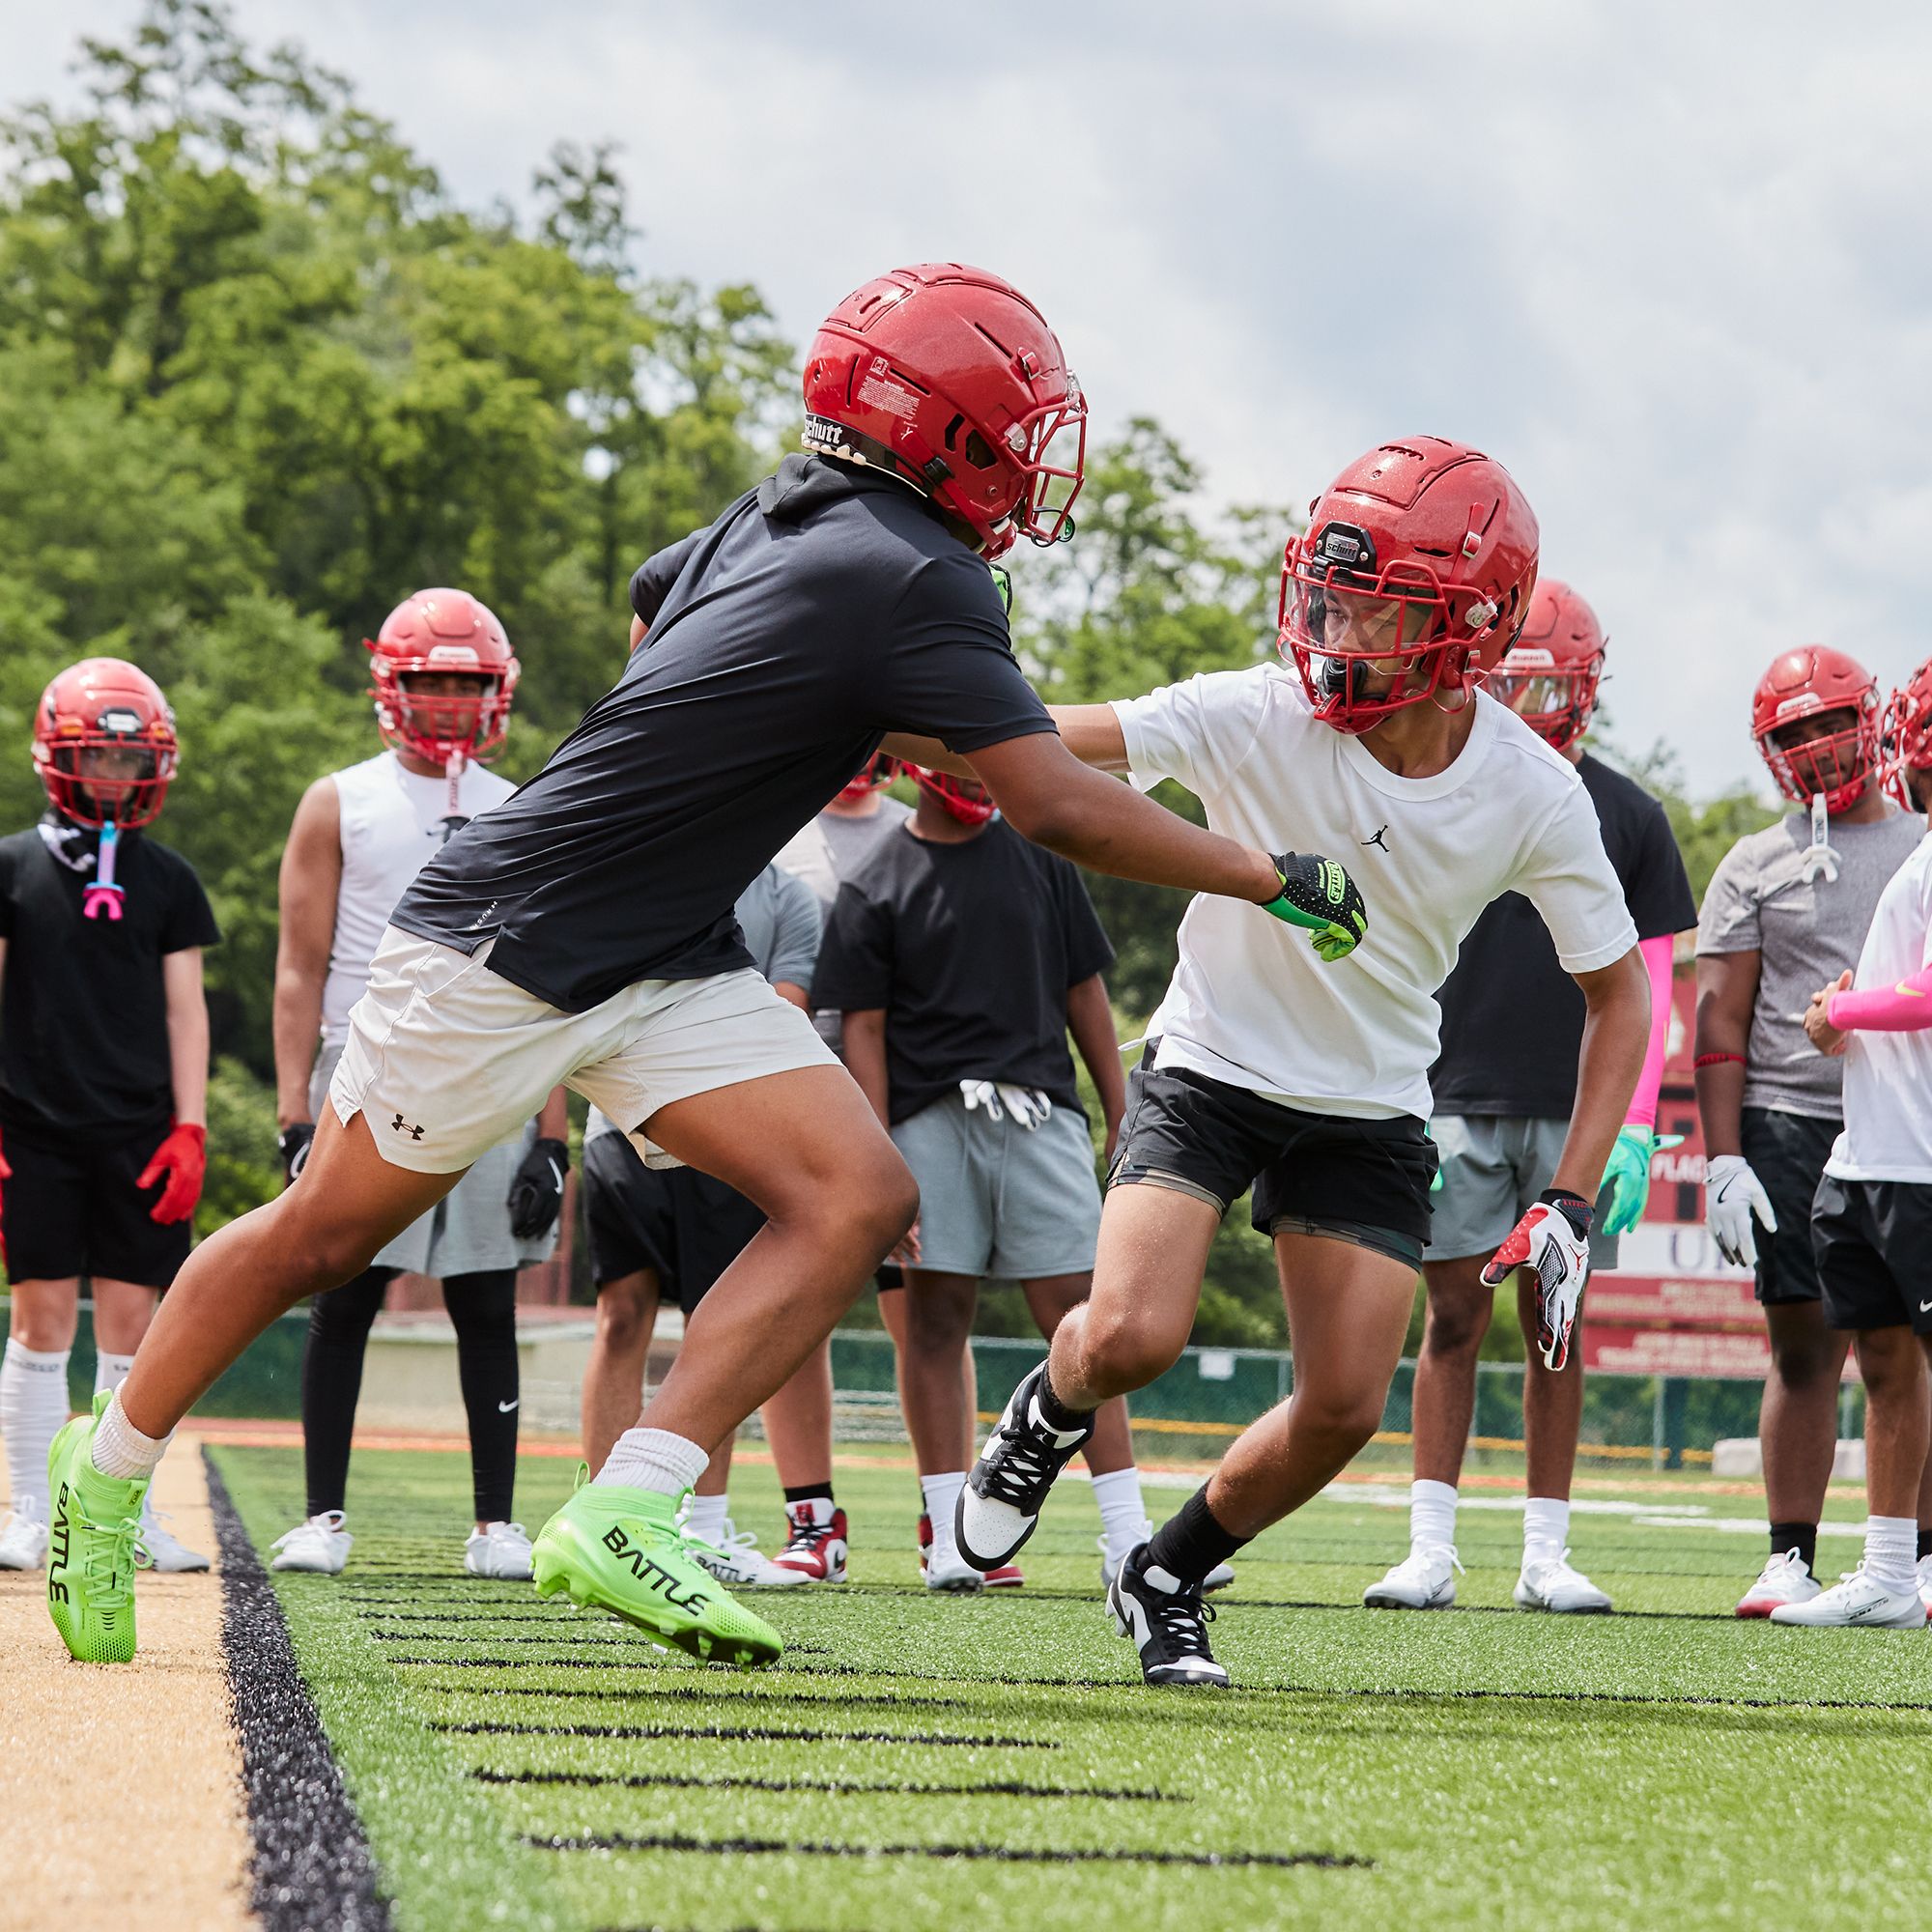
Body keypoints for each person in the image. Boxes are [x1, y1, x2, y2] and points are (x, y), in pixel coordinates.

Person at [48, 262, 1364, 1668]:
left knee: (856, 1195)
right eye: (1014, 425)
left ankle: (628, 1506)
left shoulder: (785, 503)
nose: (1032, 458)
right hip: (517, 935)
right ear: (944, 429)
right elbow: (1049, 805)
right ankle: (103, 1471)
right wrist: (1266, 871)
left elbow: (658, 599)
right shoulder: (923, 574)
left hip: (665, 951)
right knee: (322, 1235)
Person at [956, 436, 1651, 1690]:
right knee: (1130, 1336)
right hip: (1209, 1063)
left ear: (1470, 630)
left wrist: (1569, 1197)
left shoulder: (1533, 792)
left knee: (1341, 1409)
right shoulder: (1255, 711)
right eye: (1330, 595)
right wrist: (875, 690)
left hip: (1370, 1101)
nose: (1335, 629)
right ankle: (1045, 1410)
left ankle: (1164, 1575)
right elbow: (1038, 742)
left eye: (1378, 606)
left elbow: (1620, 994)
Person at [1365, 580, 1695, 1615]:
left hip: (1573, 1107)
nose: (1528, 701)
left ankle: (1544, 1553)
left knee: (1557, 1323)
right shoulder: (1432, 778)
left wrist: (1631, 1126)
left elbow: (1649, 986)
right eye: (1512, 680)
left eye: (1548, 683)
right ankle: (1429, 1546)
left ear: (1586, 686)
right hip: (1452, 1090)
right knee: (1449, 1319)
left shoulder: (1629, 814)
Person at [264, 589, 567, 1581]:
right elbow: (299, 967)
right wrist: (293, 1110)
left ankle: (494, 1523)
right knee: (344, 1293)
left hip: (488, 1066)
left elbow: (546, 974)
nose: (447, 700)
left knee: (486, 1298)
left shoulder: (523, 799)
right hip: (366, 1064)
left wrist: (553, 1133)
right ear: (392, 685)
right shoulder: (338, 799)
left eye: (465, 683)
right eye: (431, 680)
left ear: (496, 691)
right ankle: (322, 1515)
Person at [814, 759, 1165, 1594]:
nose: (975, 775)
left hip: (1041, 1112)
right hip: (927, 1120)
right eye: (956, 760)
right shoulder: (875, 879)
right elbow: (864, 1029)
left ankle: (1128, 1536)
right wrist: (881, 1158)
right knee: (934, 1321)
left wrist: (1122, 1108)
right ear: (918, 765)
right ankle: (950, 1536)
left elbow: (1085, 992)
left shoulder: (1042, 856)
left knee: (1087, 1324)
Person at [1693, 645, 1923, 1618]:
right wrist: (1722, 1156)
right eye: (1793, 731)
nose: (1816, 744)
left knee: (1906, 1351)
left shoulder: (1920, 839)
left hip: (1904, 1118)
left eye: (1829, 721)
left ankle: (1912, 1558)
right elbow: (1719, 1021)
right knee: (1801, 1344)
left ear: (1869, 720)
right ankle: (1790, 1553)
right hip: (1790, 1117)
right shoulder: (1753, 860)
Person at [0, 659, 214, 1575]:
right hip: (32, 1127)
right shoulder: (11, 865)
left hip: (141, 1132)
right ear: (59, 758)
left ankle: (125, 1514)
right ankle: (28, 1512)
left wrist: (191, 1127)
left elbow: (185, 1013)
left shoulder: (169, 879)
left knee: (137, 1334)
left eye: (130, 762)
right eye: (98, 758)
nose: (115, 777)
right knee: (40, 1322)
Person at [579, 857, 822, 1590]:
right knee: (621, 1317)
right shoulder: (651, 863)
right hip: (620, 1117)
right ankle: (598, 1518)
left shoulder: (792, 899)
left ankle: (702, 1530)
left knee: (716, 1325)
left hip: (728, 1132)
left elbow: (784, 1014)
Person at [1779, 669, 1932, 1627]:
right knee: (1881, 1362)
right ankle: (1886, 1574)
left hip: (1920, 1161)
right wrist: (1845, 1015)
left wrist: (1844, 1010)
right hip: (1872, 1152)